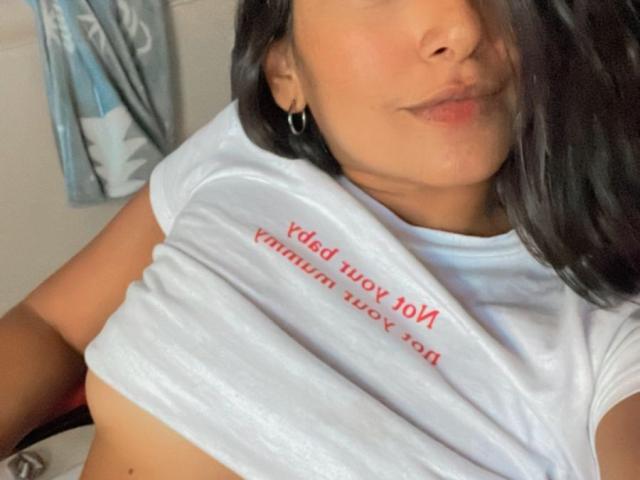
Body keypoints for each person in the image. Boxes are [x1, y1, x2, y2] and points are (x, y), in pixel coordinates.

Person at [1, 0, 639, 478]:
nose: (462, 28)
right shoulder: (242, 153)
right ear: (285, 72)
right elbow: (52, 326)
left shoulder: (609, 328)